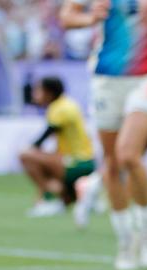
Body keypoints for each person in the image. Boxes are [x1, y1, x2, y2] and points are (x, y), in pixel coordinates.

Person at [60, 0, 147, 270]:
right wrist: (89, 19)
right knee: (111, 163)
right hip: (106, 80)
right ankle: (126, 240)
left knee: (128, 154)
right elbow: (67, 16)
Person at [20, 76, 96, 218]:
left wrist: (31, 148)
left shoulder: (59, 108)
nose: (34, 94)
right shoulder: (66, 104)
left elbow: (42, 139)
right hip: (84, 160)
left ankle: (51, 199)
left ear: (49, 92)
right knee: (41, 158)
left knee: (26, 155)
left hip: (77, 162)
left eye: (38, 90)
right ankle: (81, 196)